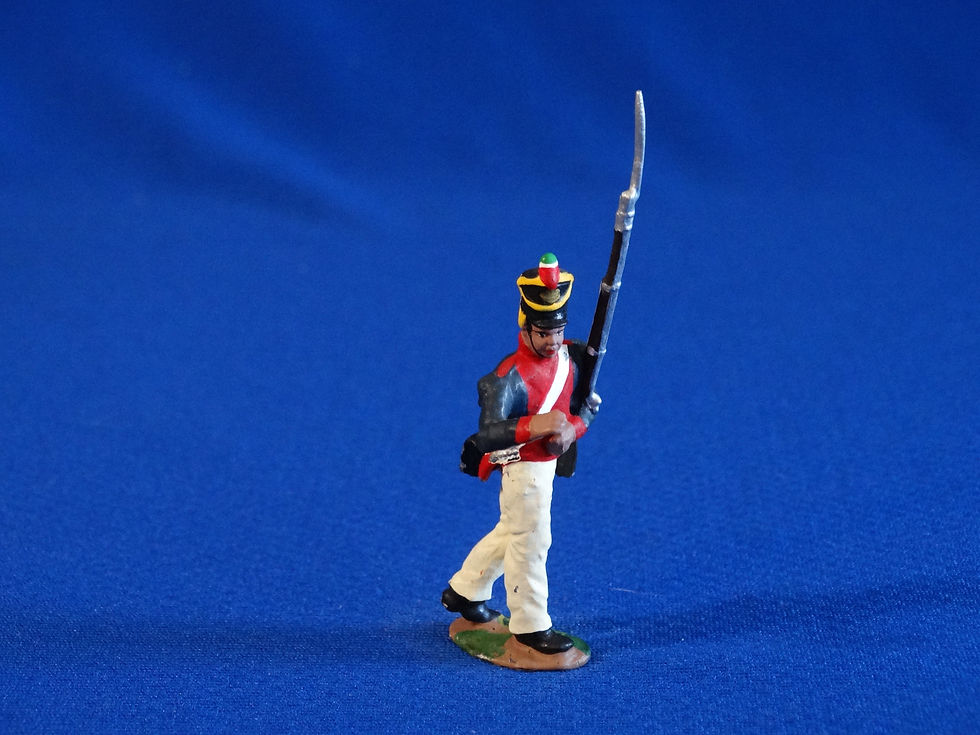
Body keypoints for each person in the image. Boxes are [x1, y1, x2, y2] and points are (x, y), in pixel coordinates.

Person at [443, 253, 599, 654]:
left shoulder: (573, 359)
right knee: (532, 540)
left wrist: (576, 426)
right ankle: (530, 625)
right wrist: (538, 425)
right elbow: (489, 433)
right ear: (525, 326)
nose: (553, 340)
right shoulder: (506, 378)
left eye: (558, 330)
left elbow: (579, 415)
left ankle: (466, 590)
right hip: (522, 467)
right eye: (543, 332)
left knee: (512, 531)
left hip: (548, 464)